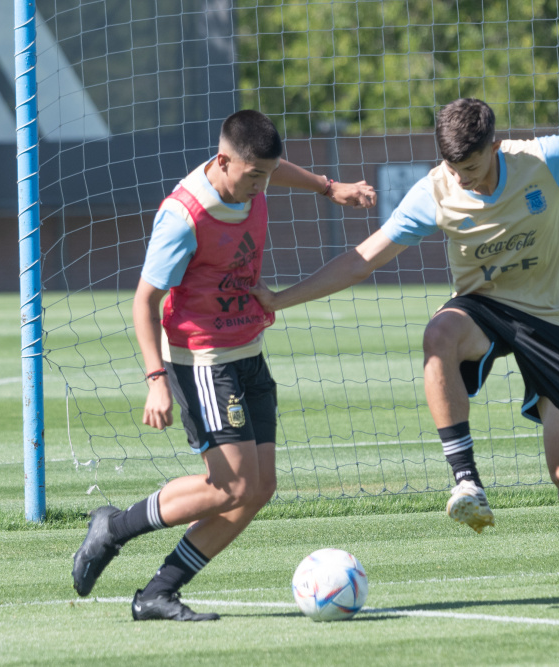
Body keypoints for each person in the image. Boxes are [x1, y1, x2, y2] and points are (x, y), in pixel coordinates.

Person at [251, 98, 559, 599]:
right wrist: (278, 299)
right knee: (438, 335)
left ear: (494, 146)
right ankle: (466, 480)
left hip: (554, 318)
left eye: (470, 167)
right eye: (453, 168)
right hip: (484, 308)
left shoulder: (545, 160)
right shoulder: (436, 191)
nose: (462, 179)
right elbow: (362, 261)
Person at [71, 109, 376, 621]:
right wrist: (155, 381)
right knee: (230, 484)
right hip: (202, 360)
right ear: (222, 161)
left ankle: (158, 593)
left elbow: (276, 169)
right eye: (252, 175)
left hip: (248, 351)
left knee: (258, 489)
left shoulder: (256, 174)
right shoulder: (183, 215)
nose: (261, 186)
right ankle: (114, 527)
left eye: (266, 175)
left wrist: (330, 187)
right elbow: (144, 301)